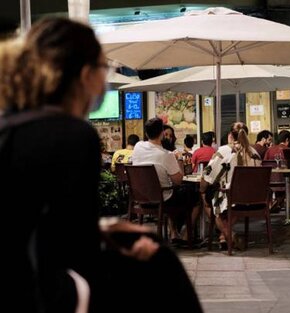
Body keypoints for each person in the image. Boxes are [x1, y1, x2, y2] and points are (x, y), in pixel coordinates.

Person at [0, 17, 202, 313]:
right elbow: (77, 250)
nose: (106, 77)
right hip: (37, 288)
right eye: (103, 67)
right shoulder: (71, 134)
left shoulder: (9, 127)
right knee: (158, 261)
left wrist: (102, 229)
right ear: (85, 75)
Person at [132, 118, 201, 243]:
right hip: (163, 199)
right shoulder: (166, 155)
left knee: (171, 193)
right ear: (162, 133)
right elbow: (179, 180)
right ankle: (186, 234)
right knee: (196, 198)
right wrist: (179, 159)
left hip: (141, 197)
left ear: (146, 133)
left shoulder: (138, 146)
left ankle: (174, 232)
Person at [200, 122, 261, 250]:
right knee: (230, 199)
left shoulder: (224, 151)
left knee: (208, 197)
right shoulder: (255, 153)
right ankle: (223, 237)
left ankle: (230, 235)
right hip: (253, 198)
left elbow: (208, 176)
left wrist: (202, 189)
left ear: (230, 135)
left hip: (231, 197)